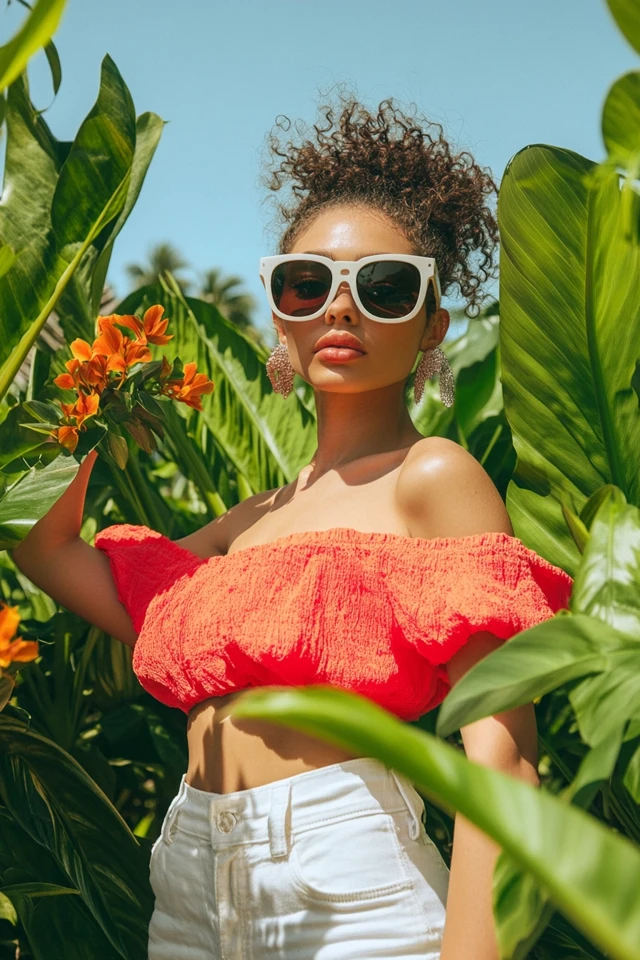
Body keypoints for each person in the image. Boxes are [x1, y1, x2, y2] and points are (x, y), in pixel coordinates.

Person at [12, 94, 572, 960]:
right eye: (309, 283)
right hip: (190, 878)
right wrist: (93, 402)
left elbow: (501, 758)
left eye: (385, 288)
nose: (340, 310)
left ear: (431, 326)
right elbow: (45, 549)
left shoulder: (433, 478)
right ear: (281, 311)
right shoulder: (253, 519)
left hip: (347, 880)